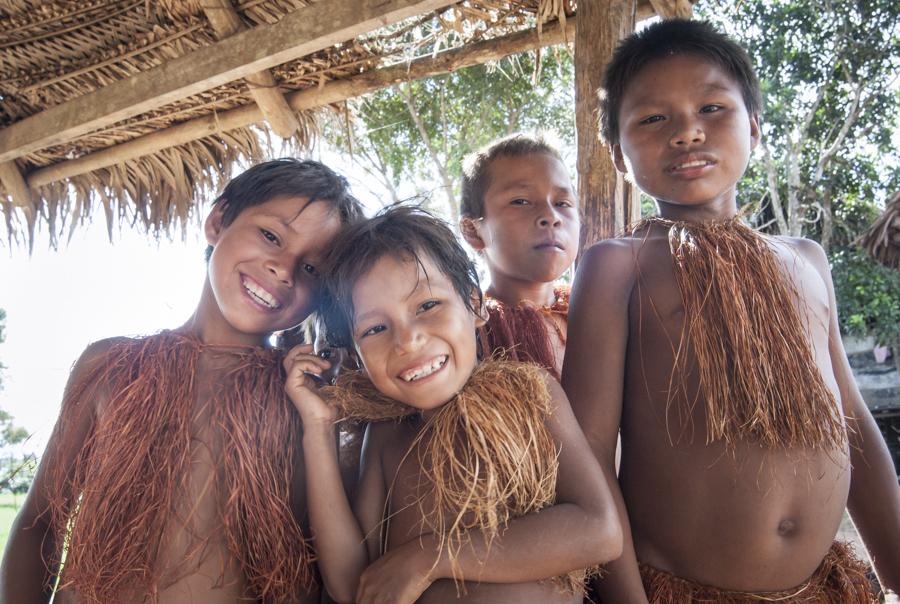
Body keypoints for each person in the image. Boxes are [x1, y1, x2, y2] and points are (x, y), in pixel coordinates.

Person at [562, 19, 900, 603]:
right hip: (682, 591)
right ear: (618, 155)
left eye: (712, 107)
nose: (687, 132)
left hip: (826, 588)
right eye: (652, 118)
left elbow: (852, 423)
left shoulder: (807, 259)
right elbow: (586, 455)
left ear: (756, 129)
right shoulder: (617, 265)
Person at [0, 159, 364, 604]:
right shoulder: (112, 365)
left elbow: (330, 564)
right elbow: (41, 522)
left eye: (311, 270)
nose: (284, 269)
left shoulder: (309, 398)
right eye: (271, 236)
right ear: (217, 221)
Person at [284, 206, 622, 604]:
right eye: (375, 328)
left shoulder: (530, 394)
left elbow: (599, 531)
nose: (407, 341)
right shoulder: (386, 439)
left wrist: (431, 557)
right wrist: (318, 428)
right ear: (358, 356)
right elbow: (350, 585)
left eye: (427, 306)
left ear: (475, 306)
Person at [460, 134, 579, 379]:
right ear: (473, 230)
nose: (550, 215)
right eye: (521, 201)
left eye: (563, 203)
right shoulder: (471, 334)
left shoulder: (594, 312)